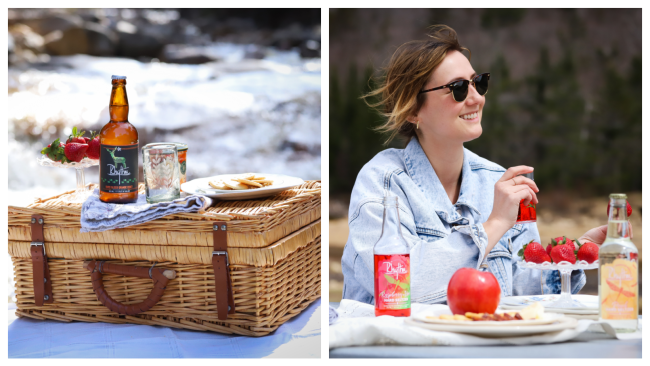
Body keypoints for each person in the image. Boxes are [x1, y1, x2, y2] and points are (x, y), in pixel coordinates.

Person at [341, 25, 620, 305]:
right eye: (458, 88)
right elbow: (398, 287)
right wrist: (494, 224)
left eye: (479, 82)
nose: (477, 98)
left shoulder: (498, 182)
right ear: (413, 111)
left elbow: (526, 295)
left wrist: (574, 256)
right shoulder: (383, 183)